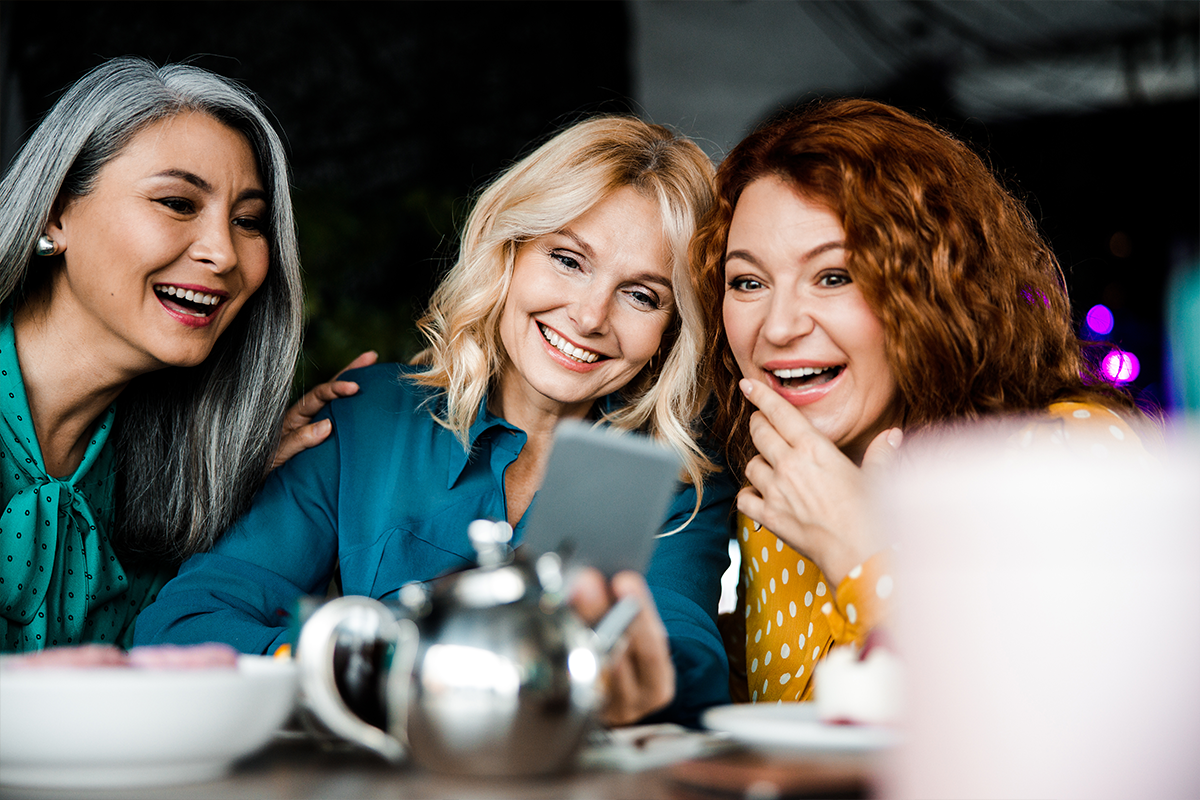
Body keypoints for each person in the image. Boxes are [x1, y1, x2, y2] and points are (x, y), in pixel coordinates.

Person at [136, 116, 736, 727]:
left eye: (642, 295)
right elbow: (184, 626)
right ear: (509, 251)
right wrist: (349, 665)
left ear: (671, 332)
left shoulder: (674, 479)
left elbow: (686, 660)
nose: (588, 316)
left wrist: (640, 681)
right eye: (567, 260)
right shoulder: (363, 417)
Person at [693, 98, 1151, 703]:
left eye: (835, 276)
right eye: (748, 283)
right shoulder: (781, 489)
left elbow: (1059, 737)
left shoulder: (1067, 457)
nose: (777, 327)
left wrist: (860, 550)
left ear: (933, 289)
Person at [0, 57, 367, 653]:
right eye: (177, 203)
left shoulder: (173, 475)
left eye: (249, 221)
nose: (223, 252)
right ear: (55, 212)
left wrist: (251, 483)